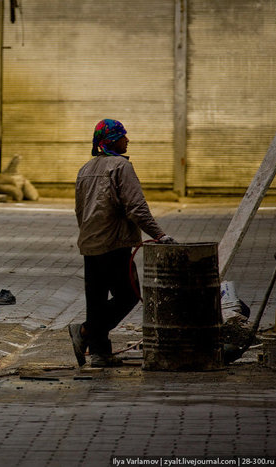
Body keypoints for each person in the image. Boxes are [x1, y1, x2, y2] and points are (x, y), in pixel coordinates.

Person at [70, 119, 175, 368]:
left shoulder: (85, 168)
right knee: (129, 295)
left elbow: (79, 210)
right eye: (123, 136)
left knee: (96, 300)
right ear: (112, 140)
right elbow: (136, 207)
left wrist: (87, 233)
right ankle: (84, 331)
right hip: (114, 243)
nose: (127, 140)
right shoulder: (120, 166)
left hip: (90, 243)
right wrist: (159, 235)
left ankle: (99, 353)